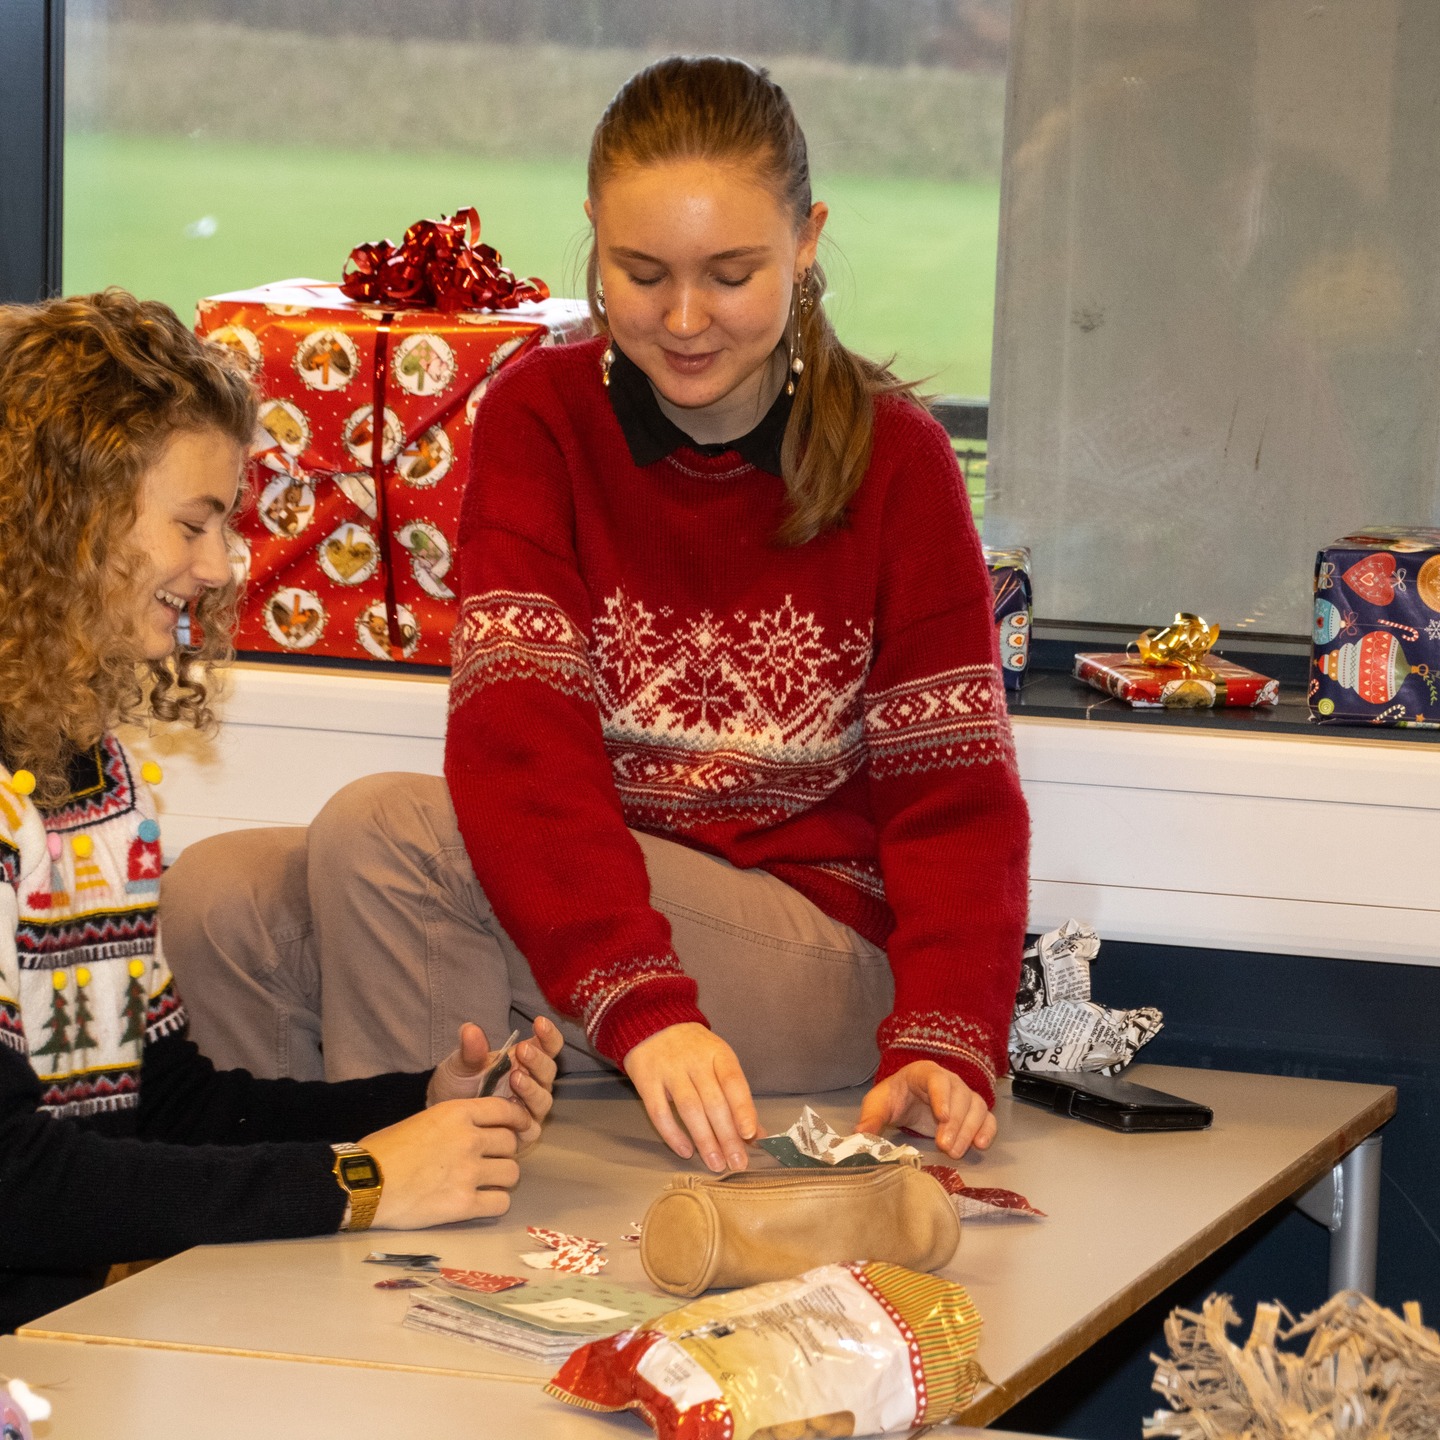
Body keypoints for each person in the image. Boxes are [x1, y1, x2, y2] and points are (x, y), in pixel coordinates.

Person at [165, 55, 1029, 1177]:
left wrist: (950, 1040)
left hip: (813, 949)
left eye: (730, 274)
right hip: (618, 916)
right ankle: (301, 1211)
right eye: (641, 271)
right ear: (591, 237)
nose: (682, 319)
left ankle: (416, 1234)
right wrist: (638, 996)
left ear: (808, 239)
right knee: (220, 899)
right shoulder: (540, 415)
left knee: (390, 833)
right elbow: (522, 749)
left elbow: (952, 795)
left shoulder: (898, 458)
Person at [0, 291, 563, 1335]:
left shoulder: (94, 782)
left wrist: (410, 1107)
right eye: (193, 523)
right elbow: (13, 1186)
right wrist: (356, 1180)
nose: (220, 569)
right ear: (64, 517)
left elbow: (160, 1110)